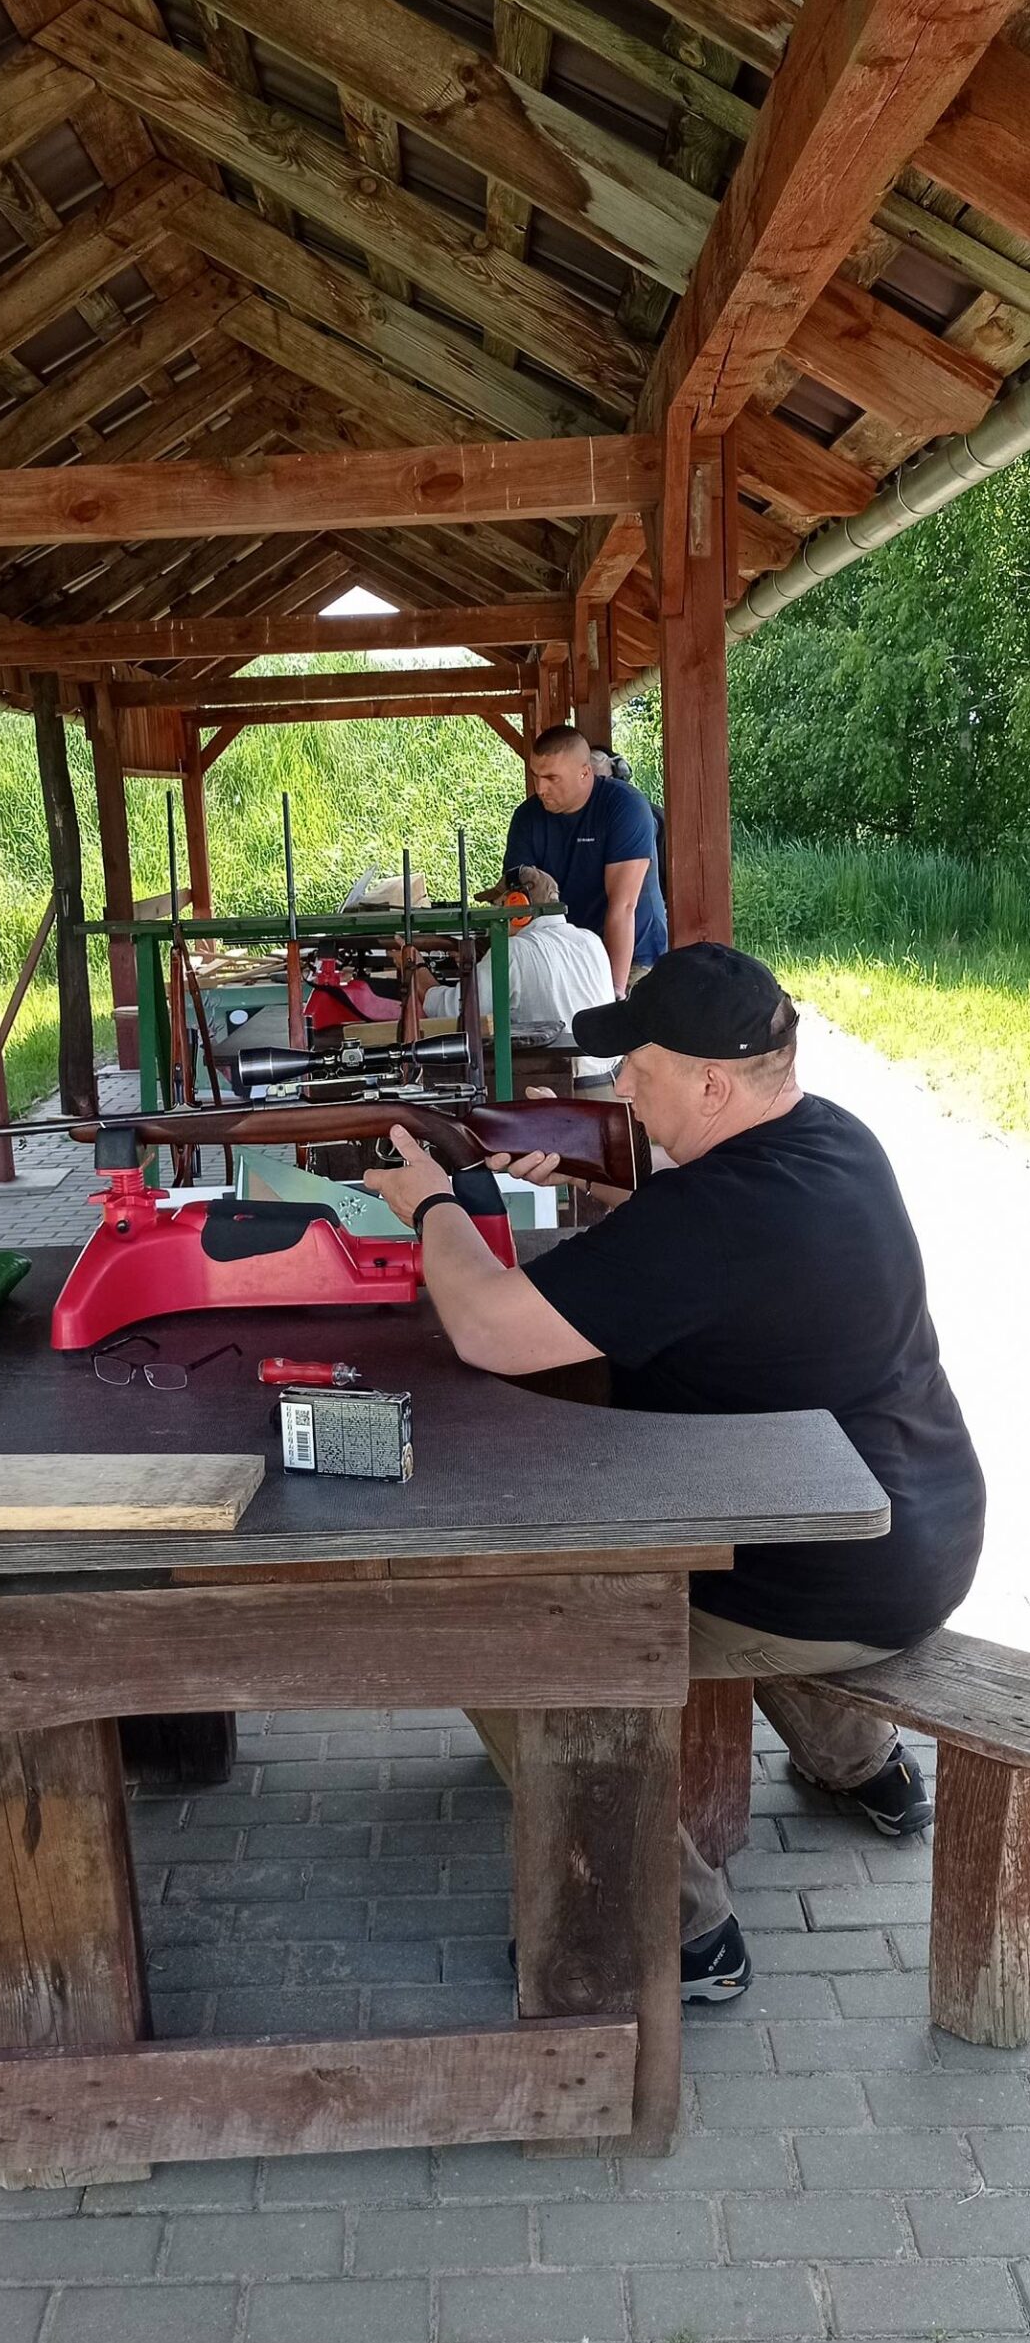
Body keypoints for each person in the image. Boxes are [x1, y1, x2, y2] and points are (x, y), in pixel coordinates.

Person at [364, 943, 986, 2004]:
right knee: (743, 1531)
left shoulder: (712, 1217)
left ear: (709, 1085)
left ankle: (679, 1927)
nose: (618, 1086)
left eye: (638, 1068)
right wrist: (599, 1179)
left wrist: (434, 1206)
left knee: (500, 1626)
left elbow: (488, 1328)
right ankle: (860, 1762)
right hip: (917, 1528)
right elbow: (710, 1249)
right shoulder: (835, 1139)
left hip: (820, 1579)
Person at [405, 866, 618, 1080]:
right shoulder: (590, 940)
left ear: (517, 905)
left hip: (556, 1084)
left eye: (499, 905)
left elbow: (454, 1011)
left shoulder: (513, 950)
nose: (495, 915)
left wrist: (416, 968)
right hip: (607, 1078)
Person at [505, 724, 667, 990]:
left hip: (633, 959)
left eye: (552, 778)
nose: (541, 788)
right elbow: (520, 905)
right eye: (536, 776)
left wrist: (614, 993)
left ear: (584, 772)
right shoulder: (527, 818)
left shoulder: (625, 807)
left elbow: (623, 906)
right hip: (565, 957)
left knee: (620, 1014)